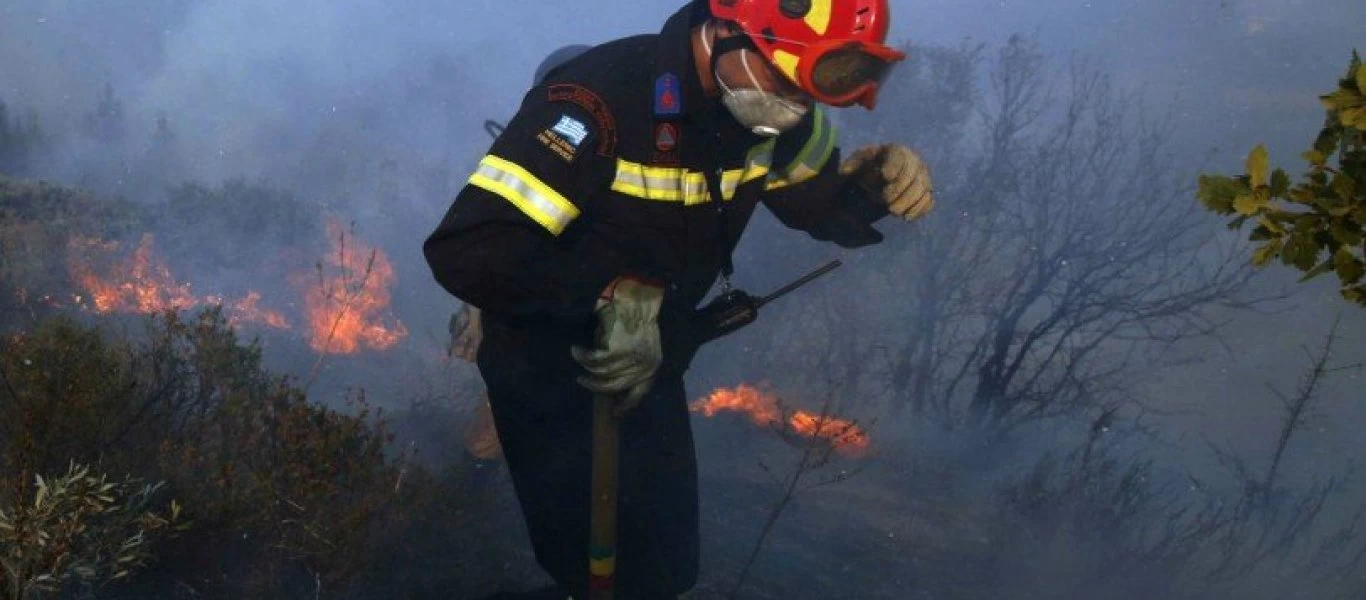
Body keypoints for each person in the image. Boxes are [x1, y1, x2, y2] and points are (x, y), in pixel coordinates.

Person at [423, 1, 934, 598]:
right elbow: (471, 247)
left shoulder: (780, 116)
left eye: (808, 92)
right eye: (780, 80)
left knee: (663, 571)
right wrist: (603, 295)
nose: (794, 107)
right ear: (724, 28)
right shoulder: (598, 101)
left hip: (654, 359)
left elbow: (819, 208)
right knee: (591, 572)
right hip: (546, 363)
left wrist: (869, 189)